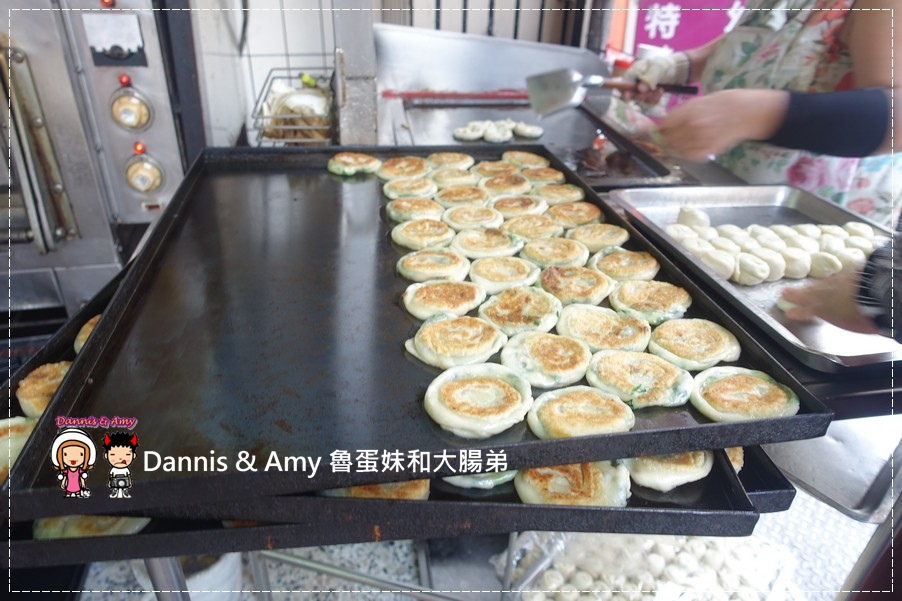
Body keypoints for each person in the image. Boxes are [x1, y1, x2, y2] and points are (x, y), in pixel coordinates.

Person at [621, 0, 900, 227]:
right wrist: (681, 66)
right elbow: (763, 43)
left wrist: (763, 113)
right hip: (745, 195)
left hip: (820, 218)